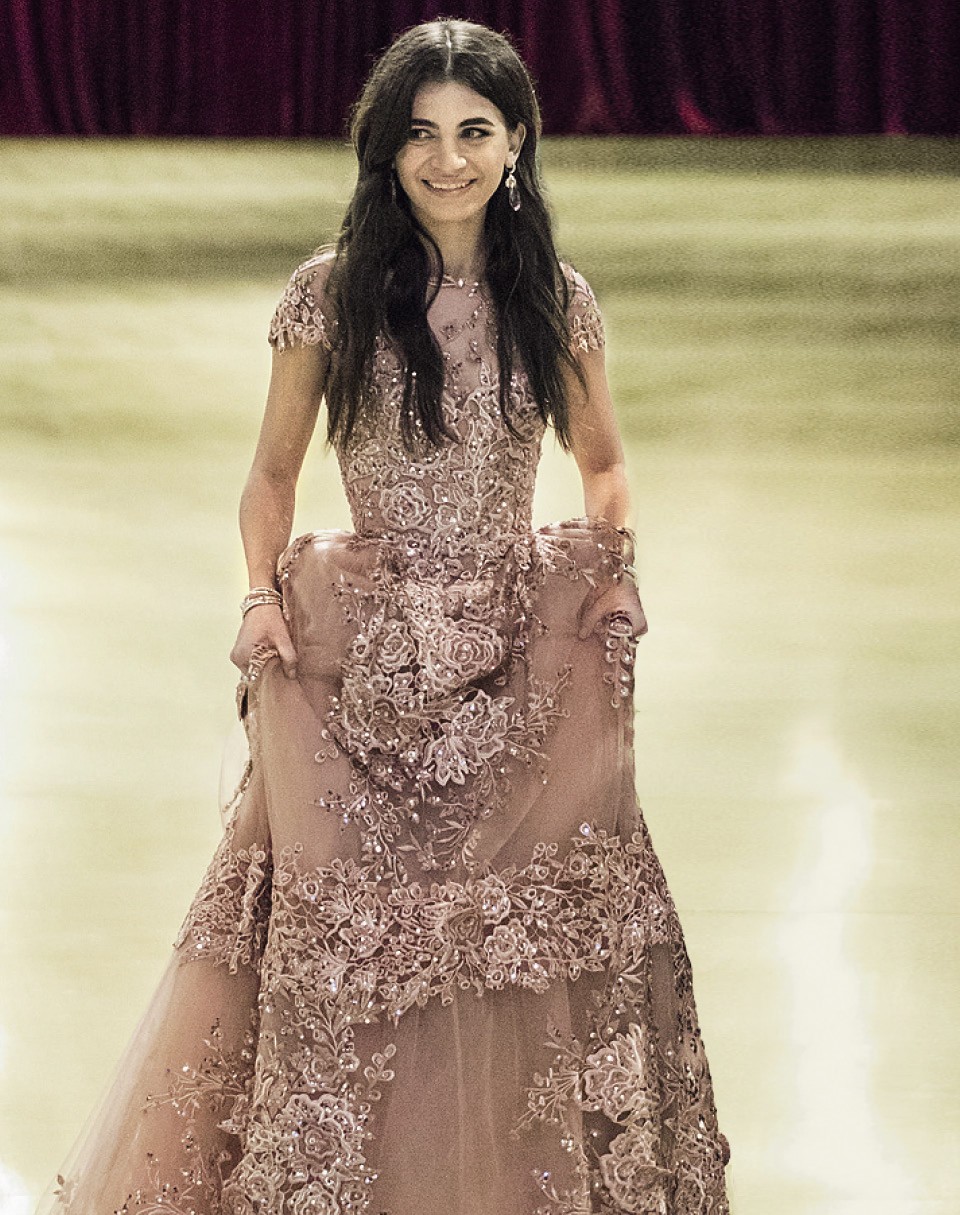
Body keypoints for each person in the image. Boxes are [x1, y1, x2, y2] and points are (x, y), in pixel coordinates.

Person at [41, 18, 730, 1215]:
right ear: (385, 149)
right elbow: (270, 475)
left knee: (518, 935)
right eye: (420, 134)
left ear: (517, 143)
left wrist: (615, 564)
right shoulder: (329, 295)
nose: (447, 160)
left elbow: (605, 462)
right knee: (348, 940)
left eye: (474, 132)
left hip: (519, 656)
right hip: (361, 660)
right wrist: (259, 598)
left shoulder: (554, 298)